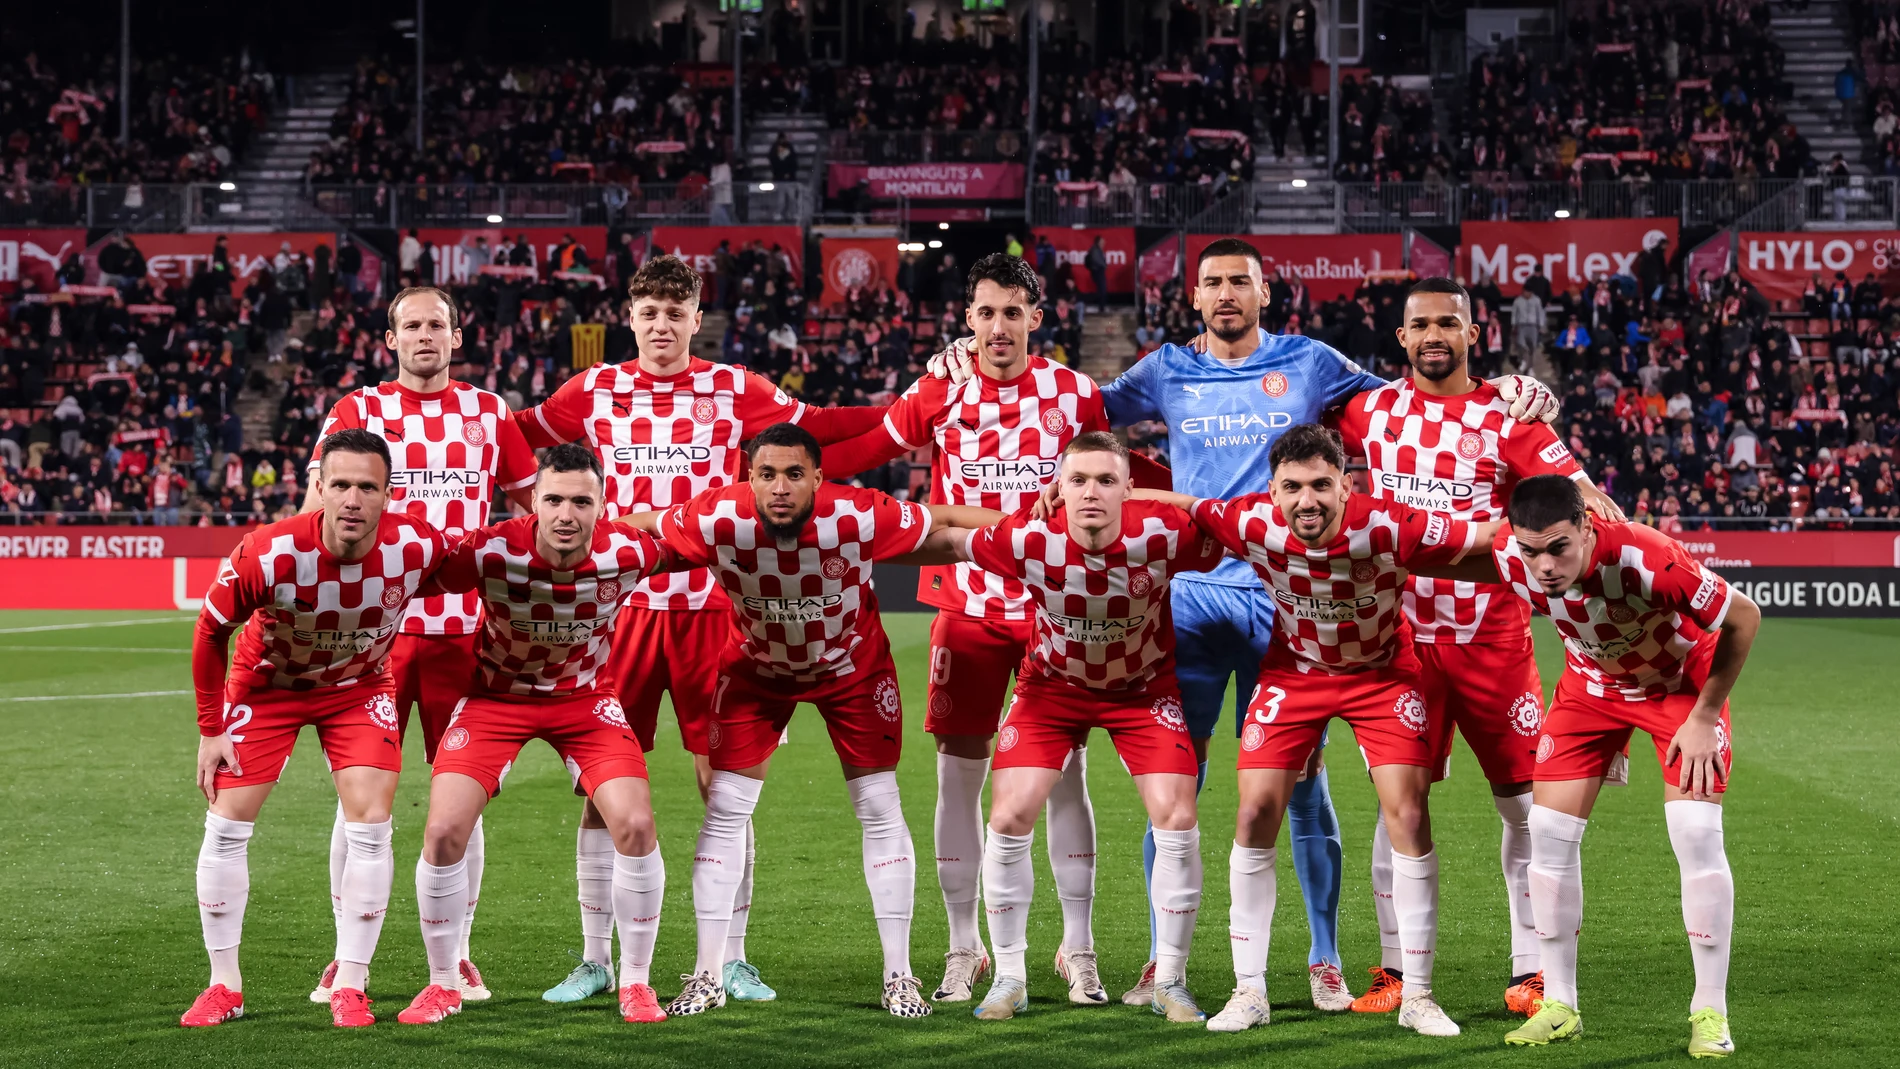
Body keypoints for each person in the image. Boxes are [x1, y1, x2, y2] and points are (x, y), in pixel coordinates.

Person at [976, 237, 1560, 1008]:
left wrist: (1511, 388)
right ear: (1193, 295)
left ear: (1265, 293)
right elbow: (1068, 413)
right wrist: (975, 357)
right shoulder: (1163, 369)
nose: (1225, 294)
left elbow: (1414, 392)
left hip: (1288, 600)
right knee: (1179, 781)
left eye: (1239, 283)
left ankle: (1324, 956)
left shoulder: (1313, 363)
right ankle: (1163, 956)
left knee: (1305, 784)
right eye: (1212, 282)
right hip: (1189, 596)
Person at [512, 255, 887, 1005]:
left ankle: (734, 955)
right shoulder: (591, 390)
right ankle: (595, 958)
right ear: (630, 317)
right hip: (618, 612)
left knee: (727, 784)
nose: (660, 326)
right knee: (599, 786)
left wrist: (914, 407)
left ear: (695, 319)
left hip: (717, 612)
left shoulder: (737, 387)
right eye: (648, 313)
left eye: (674, 313)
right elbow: (512, 436)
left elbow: (822, 429)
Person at [624, 422, 1001, 1019]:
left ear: (818, 478)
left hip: (852, 670)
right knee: (725, 808)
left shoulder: (856, 513)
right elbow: (643, 529)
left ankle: (898, 975)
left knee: (879, 805)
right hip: (755, 672)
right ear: (748, 477)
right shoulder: (718, 516)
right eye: (767, 474)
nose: (780, 487)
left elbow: (943, 521)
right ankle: (707, 974)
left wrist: (1035, 522)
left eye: (794, 474)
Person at [819, 254, 1112, 1005]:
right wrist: (791, 471)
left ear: (1036, 318)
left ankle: (1077, 948)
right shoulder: (941, 389)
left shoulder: (1076, 396)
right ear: (968, 319)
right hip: (969, 606)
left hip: (1057, 610)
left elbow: (1103, 488)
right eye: (985, 311)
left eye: (1013, 311)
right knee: (959, 774)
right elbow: (866, 449)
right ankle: (962, 945)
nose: (999, 326)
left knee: (1067, 773)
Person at [1332, 277, 1624, 1017]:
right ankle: (1394, 968)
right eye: (1420, 325)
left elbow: (1585, 499)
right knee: (1397, 803)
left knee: (1523, 809)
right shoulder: (1367, 411)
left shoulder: (1509, 413)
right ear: (1401, 338)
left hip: (1493, 638)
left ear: (1473, 333)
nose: (1434, 335)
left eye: (1448, 324)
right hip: (1400, 643)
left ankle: (1532, 969)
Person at [1139, 423, 1491, 1037]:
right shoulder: (1250, 522)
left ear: (1346, 485)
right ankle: (1251, 991)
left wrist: (1579, 512)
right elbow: (1185, 504)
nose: (1308, 501)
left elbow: (1488, 536)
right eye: (1293, 487)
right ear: (1272, 491)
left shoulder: (1389, 525)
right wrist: (1074, 497)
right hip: (1295, 675)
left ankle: (1419, 994)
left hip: (1382, 675)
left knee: (1407, 816)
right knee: (1253, 817)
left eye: (1322, 486)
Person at [302, 286, 538, 1005]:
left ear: (458, 337)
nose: (425, 335)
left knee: (459, 802)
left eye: (438, 324)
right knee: (356, 801)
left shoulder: (490, 412)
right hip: (373, 633)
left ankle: (458, 952)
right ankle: (347, 958)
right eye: (413, 325)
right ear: (390, 338)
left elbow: (536, 507)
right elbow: (316, 510)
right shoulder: (357, 411)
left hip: (467, 634)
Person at [393, 444, 681, 1027]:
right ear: (533, 501)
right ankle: (443, 983)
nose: (567, 514)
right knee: (445, 830)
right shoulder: (490, 549)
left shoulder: (631, 550)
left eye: (582, 500)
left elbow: (713, 539)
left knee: (636, 824)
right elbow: (406, 573)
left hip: (586, 702)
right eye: (553, 499)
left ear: (604, 505)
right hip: (496, 701)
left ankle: (636, 982)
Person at [180, 429, 449, 1029]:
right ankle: (224, 985)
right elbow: (209, 632)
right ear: (320, 488)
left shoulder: (418, 546)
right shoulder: (268, 551)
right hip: (268, 687)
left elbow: (487, 571)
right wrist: (210, 726)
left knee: (371, 825)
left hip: (357, 690)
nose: (354, 499)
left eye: (368, 487)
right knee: (226, 824)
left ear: (389, 494)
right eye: (343, 485)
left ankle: (351, 982)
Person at [945, 433, 1217, 1023]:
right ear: (1057, 487)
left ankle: (1171, 978)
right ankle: (1010, 978)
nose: (1091, 492)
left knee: (1178, 815)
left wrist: (1149, 493)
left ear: (1128, 487)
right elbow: (948, 536)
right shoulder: (1025, 536)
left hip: (1143, 691)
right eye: (1078, 480)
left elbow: (1214, 521)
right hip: (1050, 692)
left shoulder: (1163, 535)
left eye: (1106, 480)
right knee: (1009, 816)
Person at [1489, 476, 1758, 1059]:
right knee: (1548, 838)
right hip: (1590, 692)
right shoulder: (1513, 557)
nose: (1544, 565)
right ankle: (1560, 1005)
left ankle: (1710, 1011)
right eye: (1531, 550)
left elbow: (1744, 617)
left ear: (1586, 525)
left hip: (1678, 689)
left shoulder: (1648, 558)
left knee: (1696, 836)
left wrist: (1705, 715)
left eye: (1558, 547)